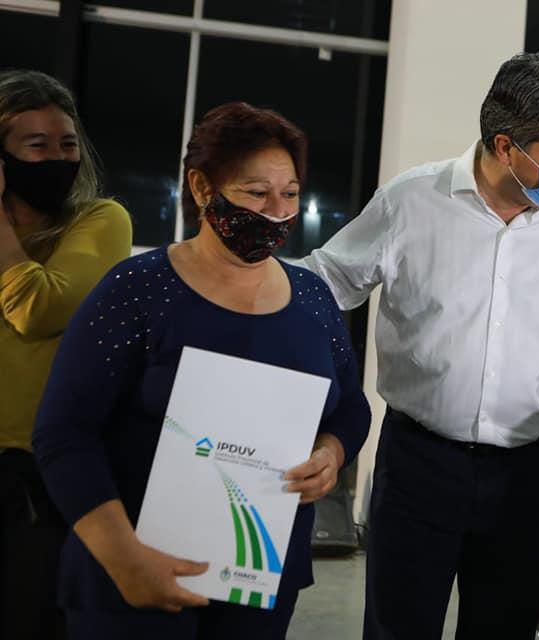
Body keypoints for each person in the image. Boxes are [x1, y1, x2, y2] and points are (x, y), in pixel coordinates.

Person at [303, 52, 539, 639]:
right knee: (398, 629)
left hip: (528, 475)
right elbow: (325, 284)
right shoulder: (411, 201)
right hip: (419, 464)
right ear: (505, 146)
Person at [31, 102, 370, 640]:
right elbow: (64, 434)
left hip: (257, 579)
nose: (277, 211)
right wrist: (122, 557)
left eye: (289, 193)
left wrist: (331, 453)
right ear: (202, 187)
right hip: (133, 580)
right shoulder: (137, 290)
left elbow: (350, 405)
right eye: (256, 193)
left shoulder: (312, 298)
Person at [0, 69, 132, 640]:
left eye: (67, 144)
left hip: (37, 474)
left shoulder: (100, 220)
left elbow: (40, 306)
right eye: (37, 145)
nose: (57, 158)